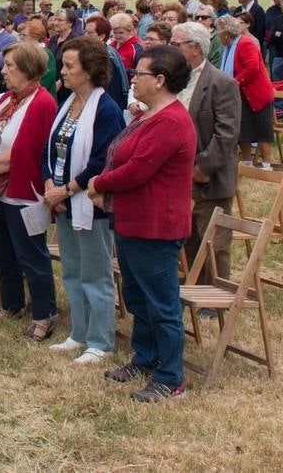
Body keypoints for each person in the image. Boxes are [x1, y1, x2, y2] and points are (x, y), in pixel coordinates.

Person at [87, 46, 197, 402]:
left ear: (161, 80)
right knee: (137, 297)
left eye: (140, 73)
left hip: (156, 226)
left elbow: (138, 169)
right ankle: (147, 357)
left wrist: (99, 184)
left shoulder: (172, 121)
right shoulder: (148, 115)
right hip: (134, 221)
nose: (133, 78)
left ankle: (170, 377)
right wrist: (103, 179)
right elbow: (118, 153)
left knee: (162, 304)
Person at [41, 38, 124, 363]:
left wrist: (66, 189)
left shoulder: (106, 109)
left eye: (69, 66)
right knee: (73, 271)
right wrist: (50, 183)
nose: (63, 71)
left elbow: (102, 161)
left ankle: (100, 341)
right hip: (62, 199)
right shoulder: (67, 102)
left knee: (96, 273)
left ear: (89, 71)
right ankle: (79, 332)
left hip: (88, 202)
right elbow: (48, 148)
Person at [0, 43, 58, 339]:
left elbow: (23, 152)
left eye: (10, 66)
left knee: (31, 255)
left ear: (29, 70)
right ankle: (11, 303)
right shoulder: (8, 98)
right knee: (2, 252)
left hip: (23, 193)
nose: (3, 71)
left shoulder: (42, 102)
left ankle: (44, 315)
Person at [171, 23, 241, 285]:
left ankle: (217, 292)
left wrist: (202, 168)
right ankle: (193, 285)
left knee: (214, 239)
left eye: (176, 45)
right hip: (178, 174)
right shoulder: (176, 80)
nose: (172, 49)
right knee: (187, 235)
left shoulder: (221, 83)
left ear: (195, 48)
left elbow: (227, 134)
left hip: (208, 176)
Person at [216, 15, 276, 168]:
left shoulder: (245, 43)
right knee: (243, 129)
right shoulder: (229, 47)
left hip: (256, 94)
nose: (218, 36)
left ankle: (267, 164)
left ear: (226, 34)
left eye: (219, 32)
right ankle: (247, 162)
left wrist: (233, 83)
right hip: (239, 94)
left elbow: (252, 68)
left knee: (262, 128)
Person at [18, 20, 56, 92]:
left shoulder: (46, 54)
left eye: (24, 35)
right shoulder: (26, 53)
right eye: (20, 35)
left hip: (42, 99)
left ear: (36, 36)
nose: (21, 38)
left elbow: (44, 82)